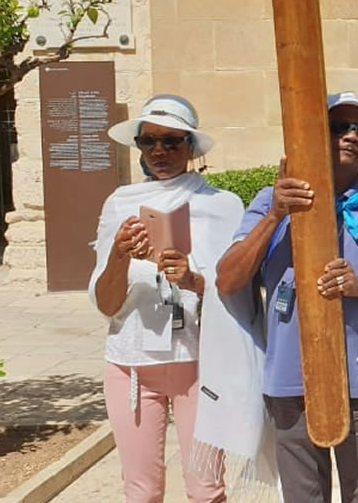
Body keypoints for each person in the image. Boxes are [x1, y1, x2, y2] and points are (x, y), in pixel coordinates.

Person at [215, 91, 358, 503]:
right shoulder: (270, 201)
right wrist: (276, 215)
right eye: (339, 127)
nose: (352, 137)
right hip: (289, 380)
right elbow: (228, 279)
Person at [91, 94, 240, 503]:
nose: (160, 151)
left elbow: (239, 290)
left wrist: (192, 278)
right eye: (149, 141)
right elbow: (106, 303)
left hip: (199, 362)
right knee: (140, 491)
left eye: (172, 141)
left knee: (207, 488)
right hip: (132, 363)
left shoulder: (222, 206)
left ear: (190, 146)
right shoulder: (118, 204)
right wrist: (119, 255)